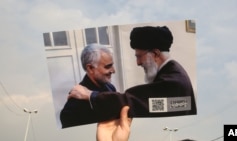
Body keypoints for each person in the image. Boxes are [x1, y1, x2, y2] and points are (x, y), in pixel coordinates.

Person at [68, 26, 197, 123]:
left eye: (139, 56)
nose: (138, 63)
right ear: (90, 68)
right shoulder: (72, 107)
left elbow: (139, 103)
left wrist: (90, 95)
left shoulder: (174, 82)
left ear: (156, 54)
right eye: (108, 66)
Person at [60, 43, 117, 128]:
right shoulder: (74, 105)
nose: (113, 70)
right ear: (90, 68)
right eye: (108, 67)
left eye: (112, 65)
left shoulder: (110, 87)